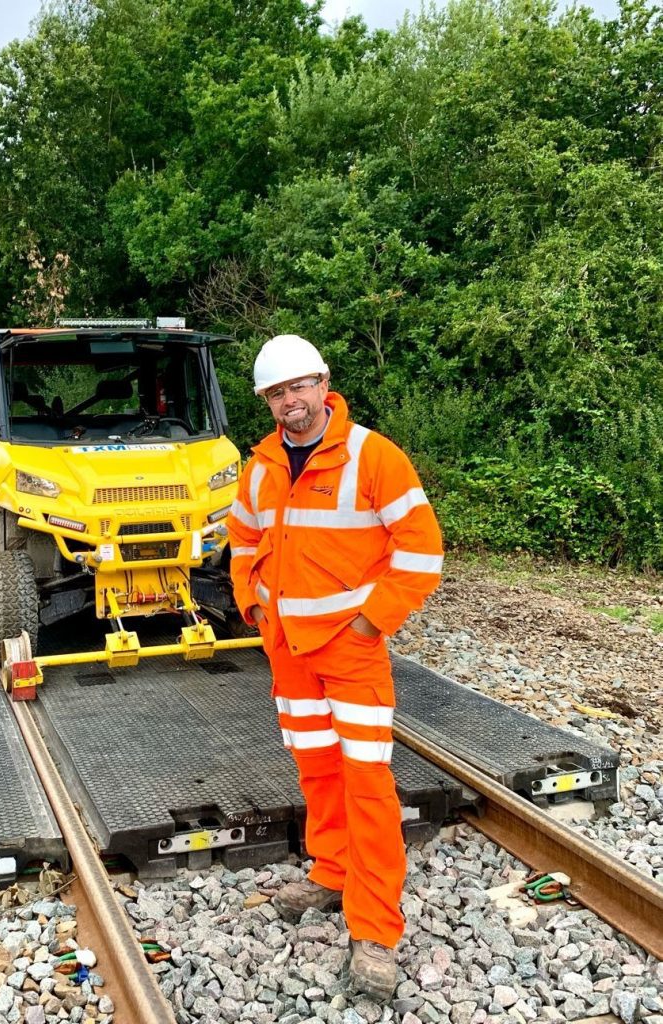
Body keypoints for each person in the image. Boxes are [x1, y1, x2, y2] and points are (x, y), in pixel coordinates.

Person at [228, 334, 443, 1000]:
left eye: (298, 387)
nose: (289, 402)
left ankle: (374, 926)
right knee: (315, 767)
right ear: (265, 401)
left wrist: (369, 621)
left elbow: (421, 548)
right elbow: (242, 539)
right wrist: (254, 607)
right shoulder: (260, 464)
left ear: (323, 385)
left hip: (349, 649)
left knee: (366, 782)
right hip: (287, 649)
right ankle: (330, 871)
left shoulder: (371, 455)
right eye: (276, 392)